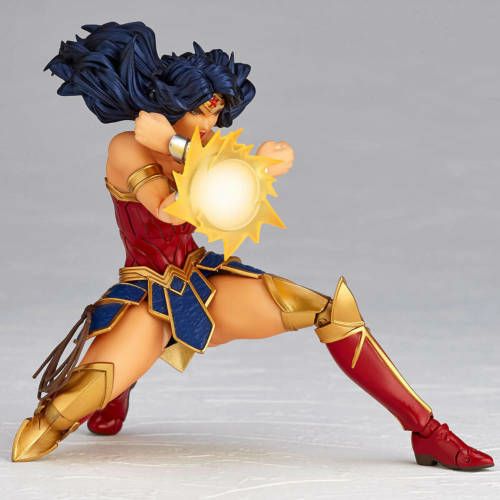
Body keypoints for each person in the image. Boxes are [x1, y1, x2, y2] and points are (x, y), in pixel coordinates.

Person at [11, 21, 494, 471]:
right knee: (41, 433)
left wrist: (254, 165)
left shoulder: (200, 149)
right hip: (146, 297)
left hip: (203, 285)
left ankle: (427, 431)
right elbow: (170, 208)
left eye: (215, 114)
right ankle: (116, 387)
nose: (209, 125)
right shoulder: (127, 148)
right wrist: (216, 159)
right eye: (200, 112)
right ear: (171, 104)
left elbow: (228, 188)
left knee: (332, 313)